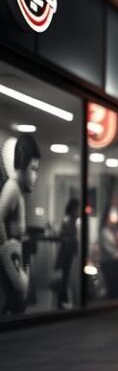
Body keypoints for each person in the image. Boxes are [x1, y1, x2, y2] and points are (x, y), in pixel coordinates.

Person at [0, 134, 40, 314]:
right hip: (10, 259)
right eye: (33, 169)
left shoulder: (16, 189)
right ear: (22, 167)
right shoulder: (13, 188)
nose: (36, 176)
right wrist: (6, 247)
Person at [55, 197, 79, 309]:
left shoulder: (73, 221)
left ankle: (63, 301)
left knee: (66, 278)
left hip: (69, 254)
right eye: (77, 209)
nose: (79, 212)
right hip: (66, 254)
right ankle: (62, 301)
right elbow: (62, 236)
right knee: (65, 278)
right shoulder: (68, 220)